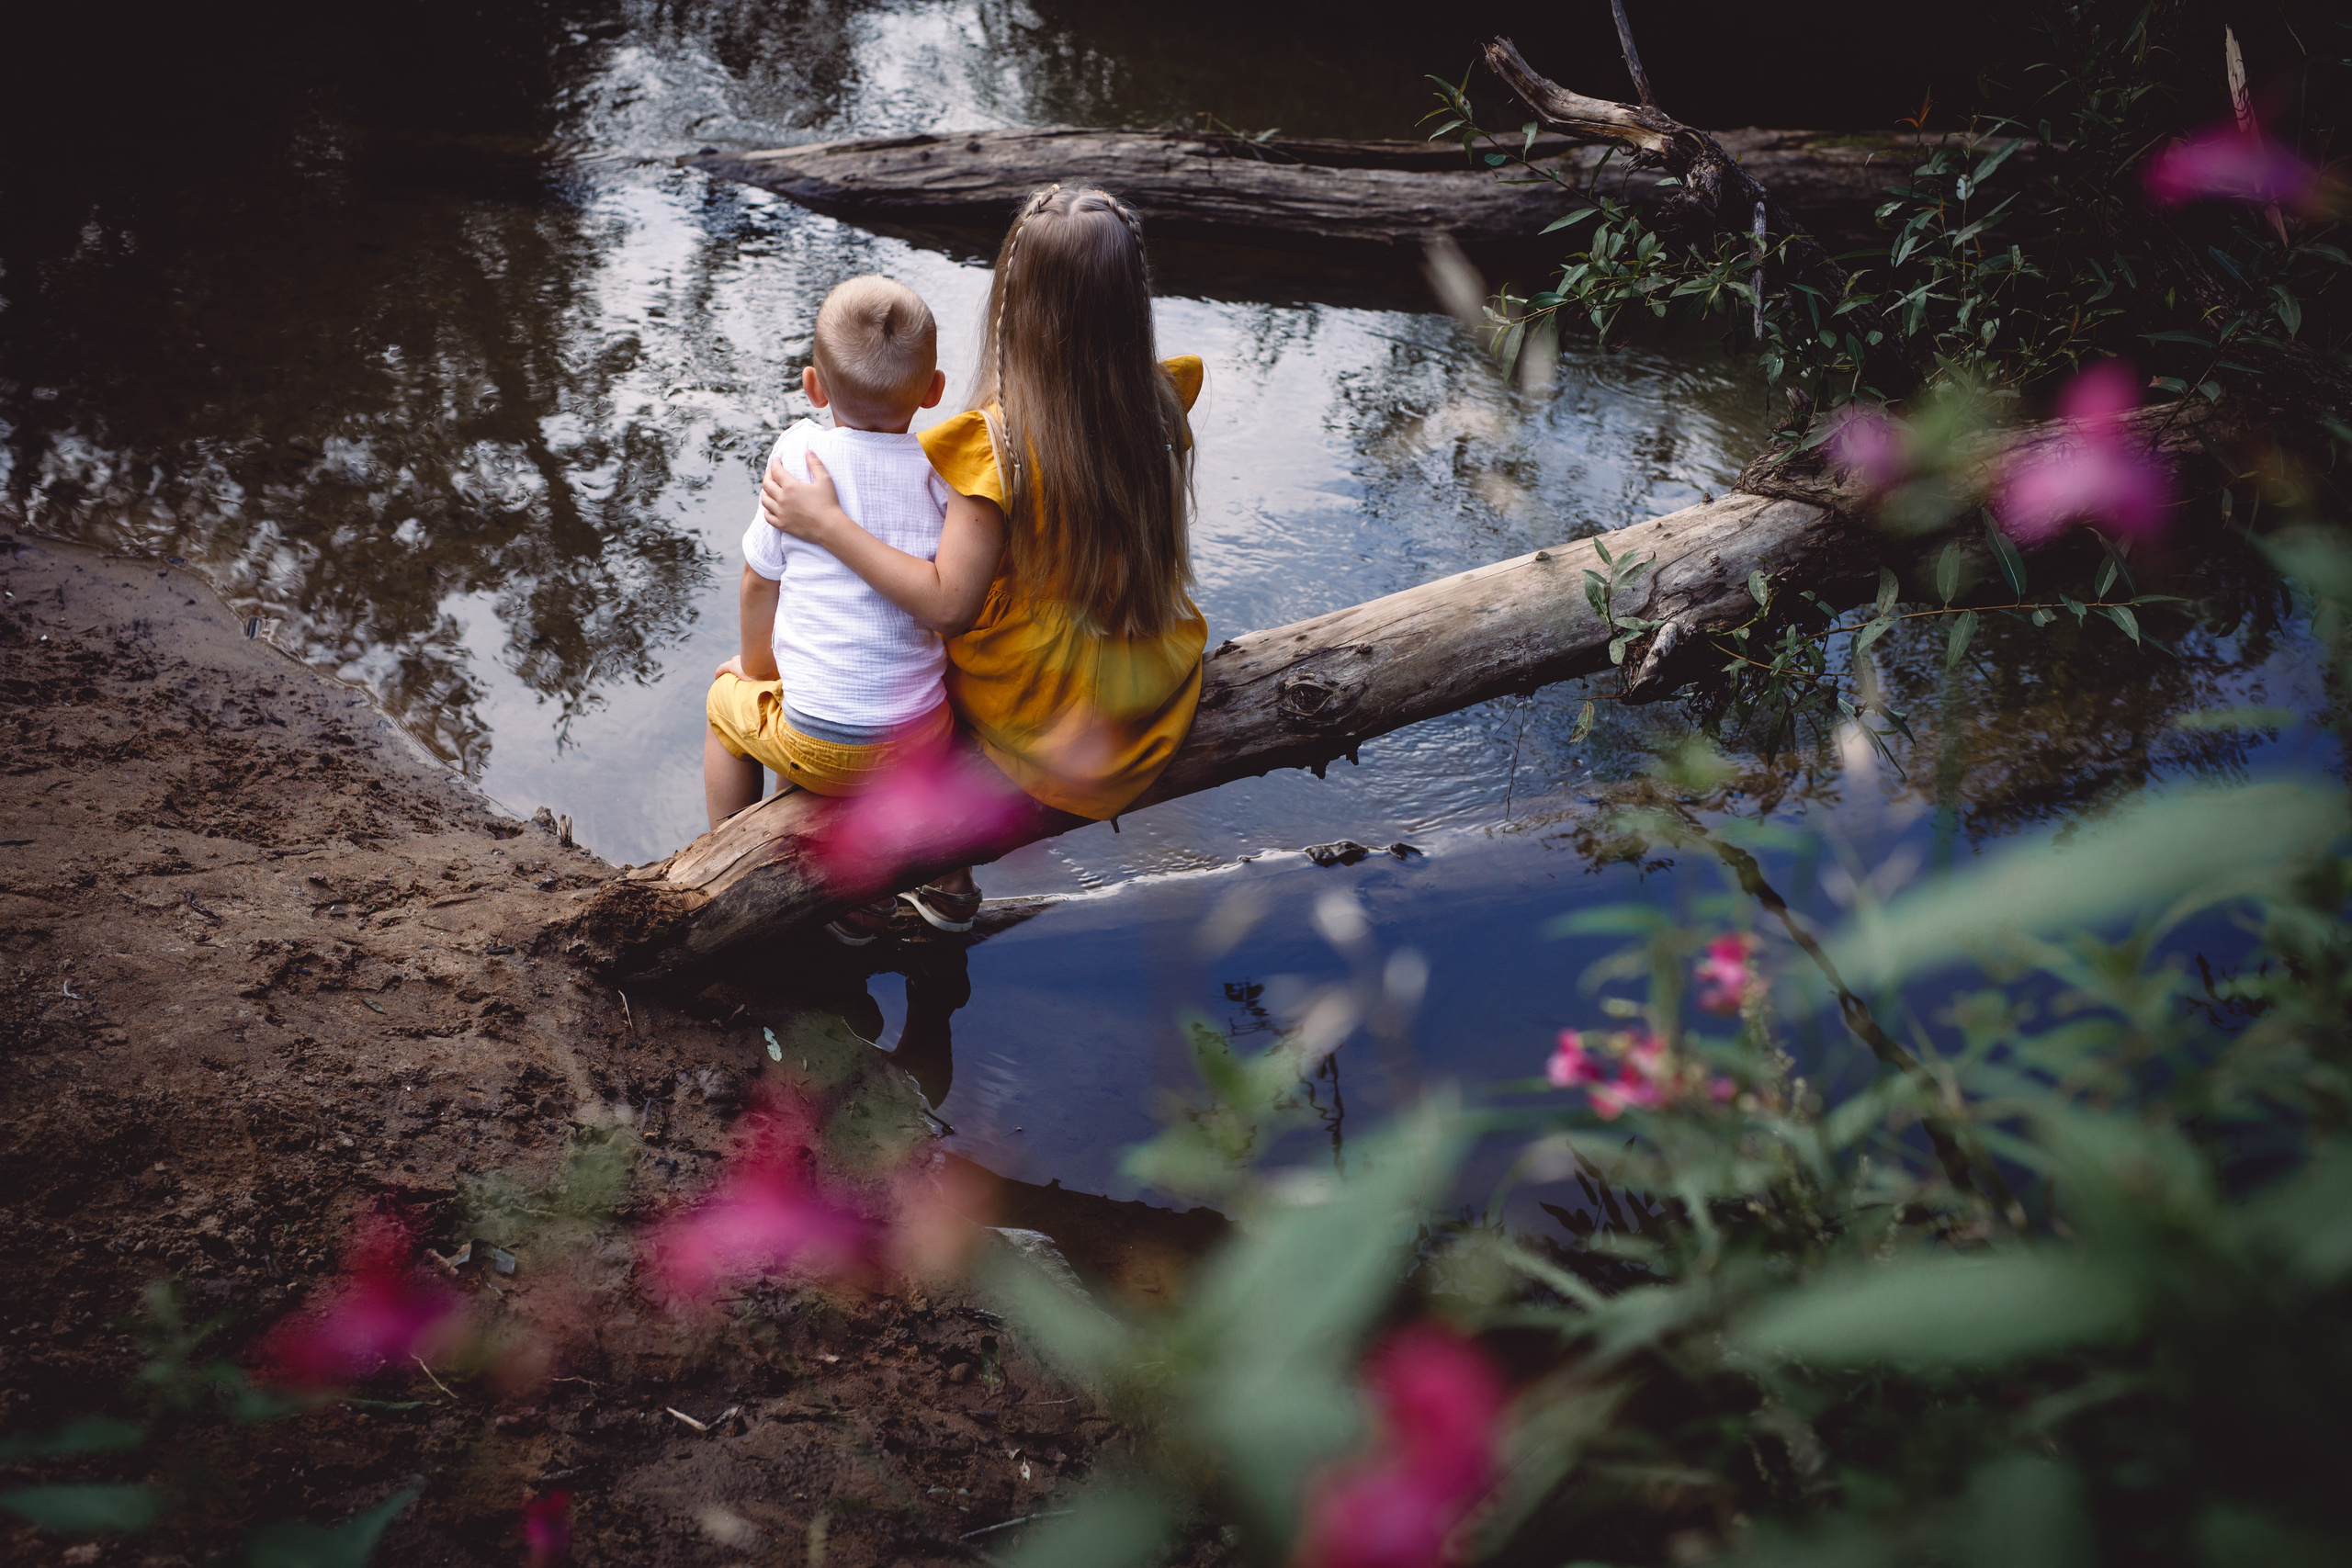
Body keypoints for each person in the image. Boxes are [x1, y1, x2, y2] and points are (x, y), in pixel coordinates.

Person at [759, 185, 1205, 936]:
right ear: (1132, 305)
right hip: (1147, 679)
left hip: (1042, 706)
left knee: (903, 658)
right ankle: (947, 892)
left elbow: (947, 604)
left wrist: (830, 526)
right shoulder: (1157, 404)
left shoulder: (994, 448)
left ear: (1011, 306)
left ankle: (880, 873)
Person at [704, 275, 1006, 943]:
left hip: (821, 742)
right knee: (936, 709)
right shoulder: (943, 468)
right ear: (933, 391)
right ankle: (946, 894)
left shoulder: (796, 455)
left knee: (725, 707)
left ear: (814, 387)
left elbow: (759, 582)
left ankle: (727, 860)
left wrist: (758, 671)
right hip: (918, 739)